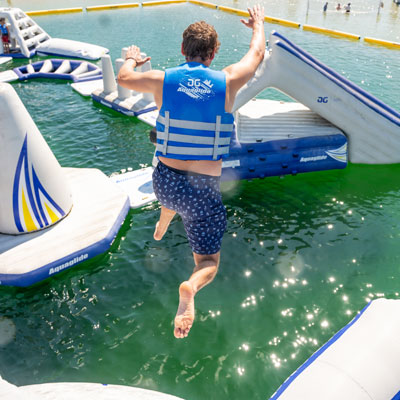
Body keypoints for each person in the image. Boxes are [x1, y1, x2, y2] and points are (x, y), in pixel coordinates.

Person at [118, 5, 265, 339]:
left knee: (170, 190)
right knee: (208, 262)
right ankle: (190, 288)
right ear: (213, 54)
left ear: (183, 50)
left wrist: (131, 58)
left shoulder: (162, 80)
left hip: (164, 182)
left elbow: (123, 78)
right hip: (201, 192)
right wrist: (258, 24)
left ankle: (163, 221)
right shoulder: (228, 81)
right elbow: (257, 54)